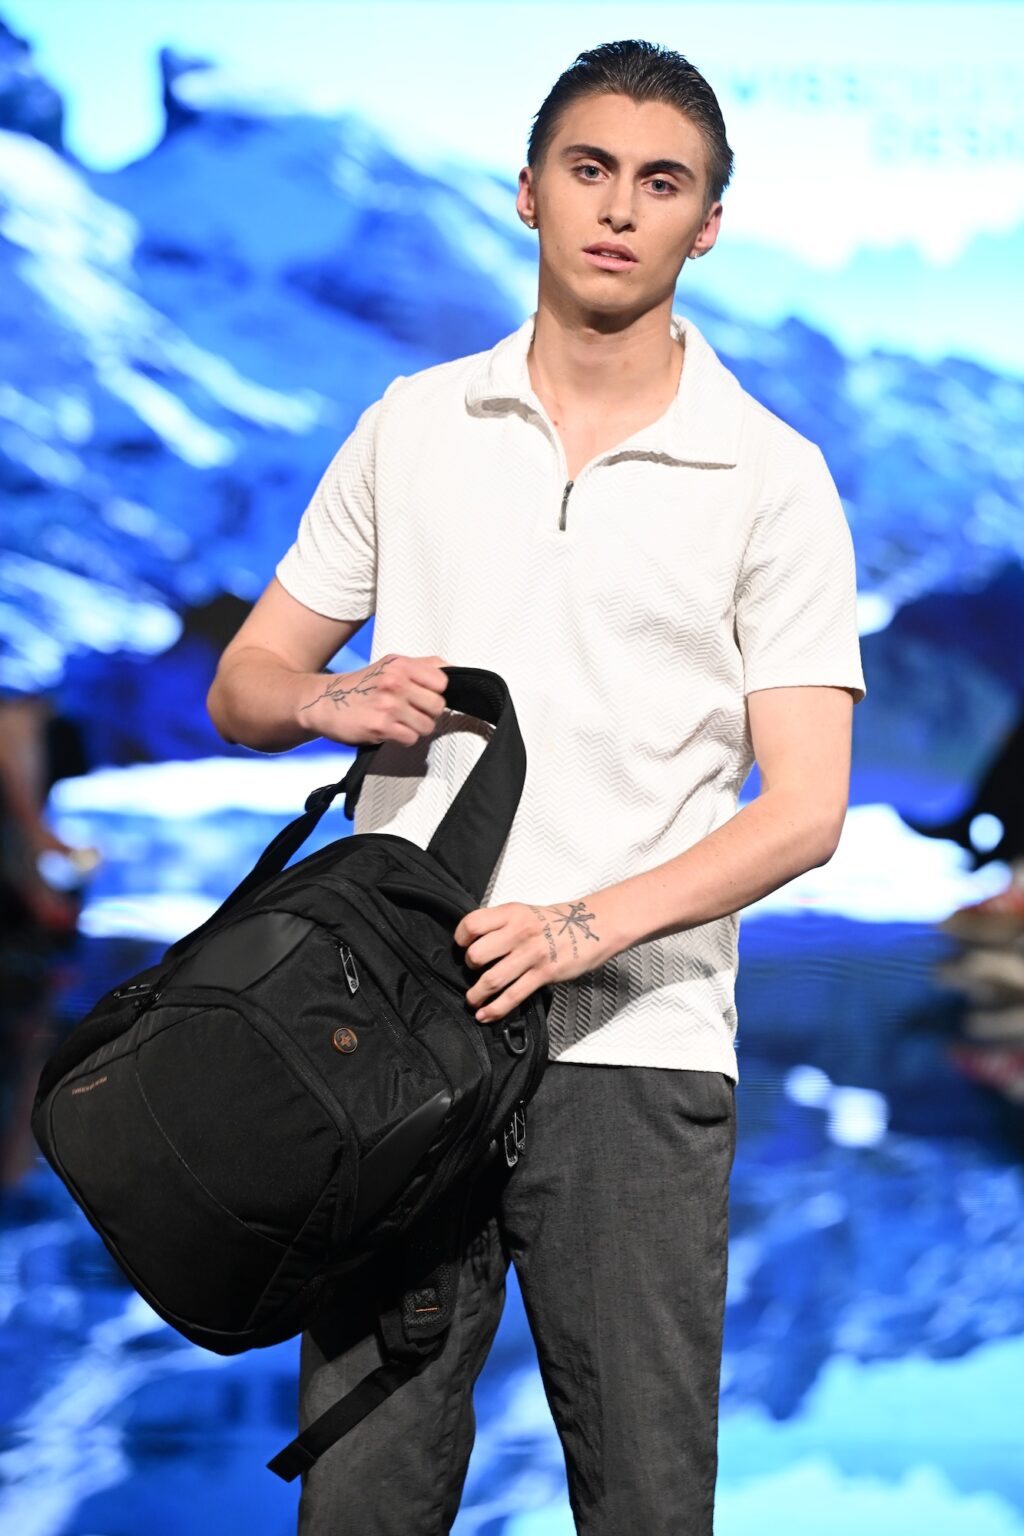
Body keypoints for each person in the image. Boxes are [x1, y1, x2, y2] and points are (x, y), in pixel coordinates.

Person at [207, 38, 866, 1536]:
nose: (619, 209)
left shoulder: (772, 475)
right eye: (588, 169)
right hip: (389, 1041)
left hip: (637, 1052)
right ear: (525, 193)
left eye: (661, 181)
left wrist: (583, 926)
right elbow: (244, 683)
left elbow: (806, 804)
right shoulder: (414, 423)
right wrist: (323, 695)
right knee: (362, 1505)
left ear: (710, 221)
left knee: (643, 1503)